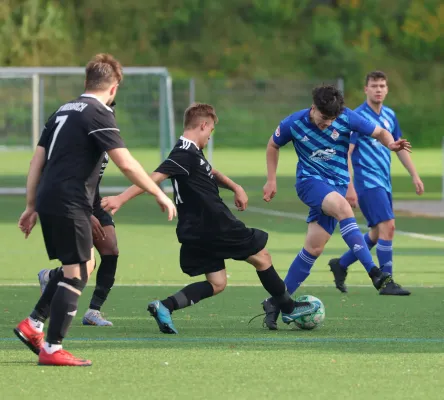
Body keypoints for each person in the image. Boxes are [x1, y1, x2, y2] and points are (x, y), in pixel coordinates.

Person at [14, 53, 176, 366]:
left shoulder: (63, 110)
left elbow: (37, 160)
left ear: (87, 81)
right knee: (77, 272)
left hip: (51, 197)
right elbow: (126, 162)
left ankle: (33, 324)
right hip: (70, 199)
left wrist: (32, 204)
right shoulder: (98, 112)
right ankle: (51, 348)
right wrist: (159, 191)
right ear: (114, 88)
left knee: (81, 266)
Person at [101, 102, 319, 334]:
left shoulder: (193, 152)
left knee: (217, 283)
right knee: (262, 257)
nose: (210, 137)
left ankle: (165, 306)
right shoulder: (183, 153)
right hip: (214, 223)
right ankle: (287, 307)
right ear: (203, 125)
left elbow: (210, 172)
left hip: (195, 230)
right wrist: (121, 199)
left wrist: (235, 186)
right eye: (211, 131)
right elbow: (154, 177)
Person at [260, 84, 411, 330]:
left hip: (337, 186)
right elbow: (272, 145)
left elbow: (381, 132)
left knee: (314, 247)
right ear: (313, 107)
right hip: (310, 183)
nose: (327, 123)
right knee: (344, 209)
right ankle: (374, 272)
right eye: (323, 117)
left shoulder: (347, 117)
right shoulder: (293, 122)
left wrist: (391, 144)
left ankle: (275, 302)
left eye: (331, 119)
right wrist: (271, 179)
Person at [329, 71, 424, 294]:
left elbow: (399, 148)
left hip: (384, 181)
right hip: (366, 182)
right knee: (388, 226)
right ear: (366, 89)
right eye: (374, 85)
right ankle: (386, 281)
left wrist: (414, 175)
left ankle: (340, 264)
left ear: (387, 89)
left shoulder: (390, 115)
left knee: (375, 233)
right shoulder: (358, 117)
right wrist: (350, 185)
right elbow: (348, 152)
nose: (378, 89)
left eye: (382, 85)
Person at [38, 151, 119, 326]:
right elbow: (64, 180)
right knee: (86, 264)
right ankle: (50, 278)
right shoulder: (79, 137)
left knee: (111, 250)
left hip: (93, 202)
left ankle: (93, 312)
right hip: (74, 203)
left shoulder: (104, 135)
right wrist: (86, 214)